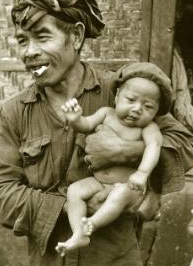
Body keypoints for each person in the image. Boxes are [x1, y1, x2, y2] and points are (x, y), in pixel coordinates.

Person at [0, 0, 193, 266]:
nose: (29, 51)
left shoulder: (122, 94)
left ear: (78, 36)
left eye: (42, 37)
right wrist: (80, 207)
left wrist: (125, 157)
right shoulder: (14, 113)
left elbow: (184, 143)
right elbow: (3, 195)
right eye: (22, 40)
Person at [55, 62, 173, 255]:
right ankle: (79, 233)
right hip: (99, 181)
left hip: (129, 186)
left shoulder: (149, 129)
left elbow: (154, 147)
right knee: (75, 191)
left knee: (119, 193)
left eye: (148, 106)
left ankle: (92, 223)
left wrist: (142, 174)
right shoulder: (105, 114)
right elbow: (85, 125)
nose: (137, 109)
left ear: (157, 111)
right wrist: (75, 119)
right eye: (131, 100)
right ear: (117, 96)